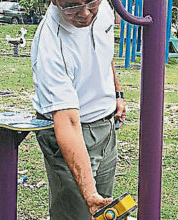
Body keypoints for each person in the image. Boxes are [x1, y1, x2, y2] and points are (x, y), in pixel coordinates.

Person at [30, 0, 126, 219]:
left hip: (105, 126)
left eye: (91, 2)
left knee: (104, 213)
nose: (84, 13)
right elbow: (68, 123)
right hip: (73, 133)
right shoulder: (51, 45)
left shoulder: (103, 9)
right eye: (72, 6)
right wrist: (89, 193)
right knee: (79, 213)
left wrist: (116, 93)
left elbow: (103, 52)